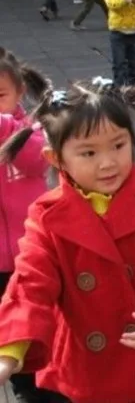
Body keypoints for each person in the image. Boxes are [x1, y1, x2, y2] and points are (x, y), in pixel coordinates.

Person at [0, 77, 135, 403]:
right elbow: (31, 285)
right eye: (88, 152)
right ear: (56, 159)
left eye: (118, 146)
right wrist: (9, 352)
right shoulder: (46, 218)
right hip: (89, 370)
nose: (107, 163)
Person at [0, 48, 51, 403]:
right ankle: (19, 384)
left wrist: (6, 127)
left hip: (28, 255)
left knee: (32, 323)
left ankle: (38, 384)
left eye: (0, 95)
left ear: (20, 92)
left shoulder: (31, 130)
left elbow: (38, 160)